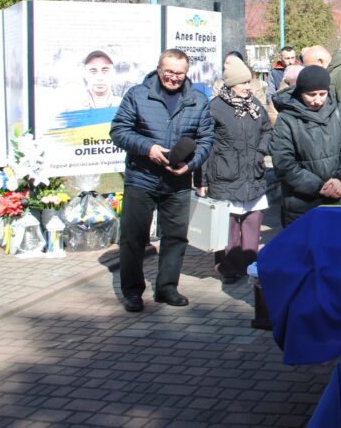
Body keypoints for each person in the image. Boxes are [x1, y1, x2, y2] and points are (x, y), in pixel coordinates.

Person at [110, 49, 214, 313]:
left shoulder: (198, 100)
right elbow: (119, 131)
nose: (173, 78)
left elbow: (205, 139)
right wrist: (148, 148)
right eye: (169, 72)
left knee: (176, 237)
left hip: (178, 181)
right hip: (141, 177)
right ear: (159, 70)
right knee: (134, 239)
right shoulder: (137, 95)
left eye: (179, 73)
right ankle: (132, 292)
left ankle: (167, 287)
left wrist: (191, 165)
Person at [198, 55, 273, 284]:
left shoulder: (254, 106)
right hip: (225, 174)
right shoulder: (214, 108)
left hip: (253, 173)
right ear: (231, 84)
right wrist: (202, 180)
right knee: (228, 226)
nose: (248, 87)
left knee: (252, 223)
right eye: (243, 83)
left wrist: (261, 152)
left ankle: (249, 264)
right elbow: (205, 144)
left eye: (249, 82)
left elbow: (267, 131)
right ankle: (229, 268)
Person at [272, 66, 341, 227]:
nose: (317, 100)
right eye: (311, 95)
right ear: (300, 92)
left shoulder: (339, 111)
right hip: (302, 204)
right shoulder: (286, 118)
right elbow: (283, 162)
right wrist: (318, 187)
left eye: (322, 94)